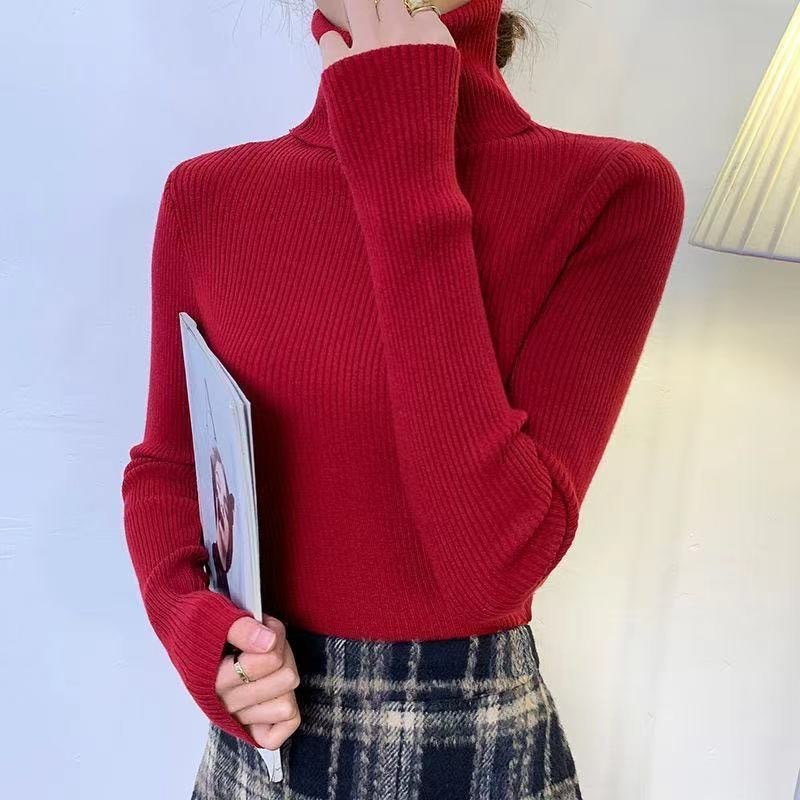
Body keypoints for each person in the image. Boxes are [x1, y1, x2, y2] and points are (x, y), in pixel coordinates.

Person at [120, 0, 685, 797]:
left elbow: (492, 568)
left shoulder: (613, 190)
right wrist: (197, 632)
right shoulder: (207, 195)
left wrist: (403, 162)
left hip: (468, 746)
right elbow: (170, 468)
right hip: (261, 748)